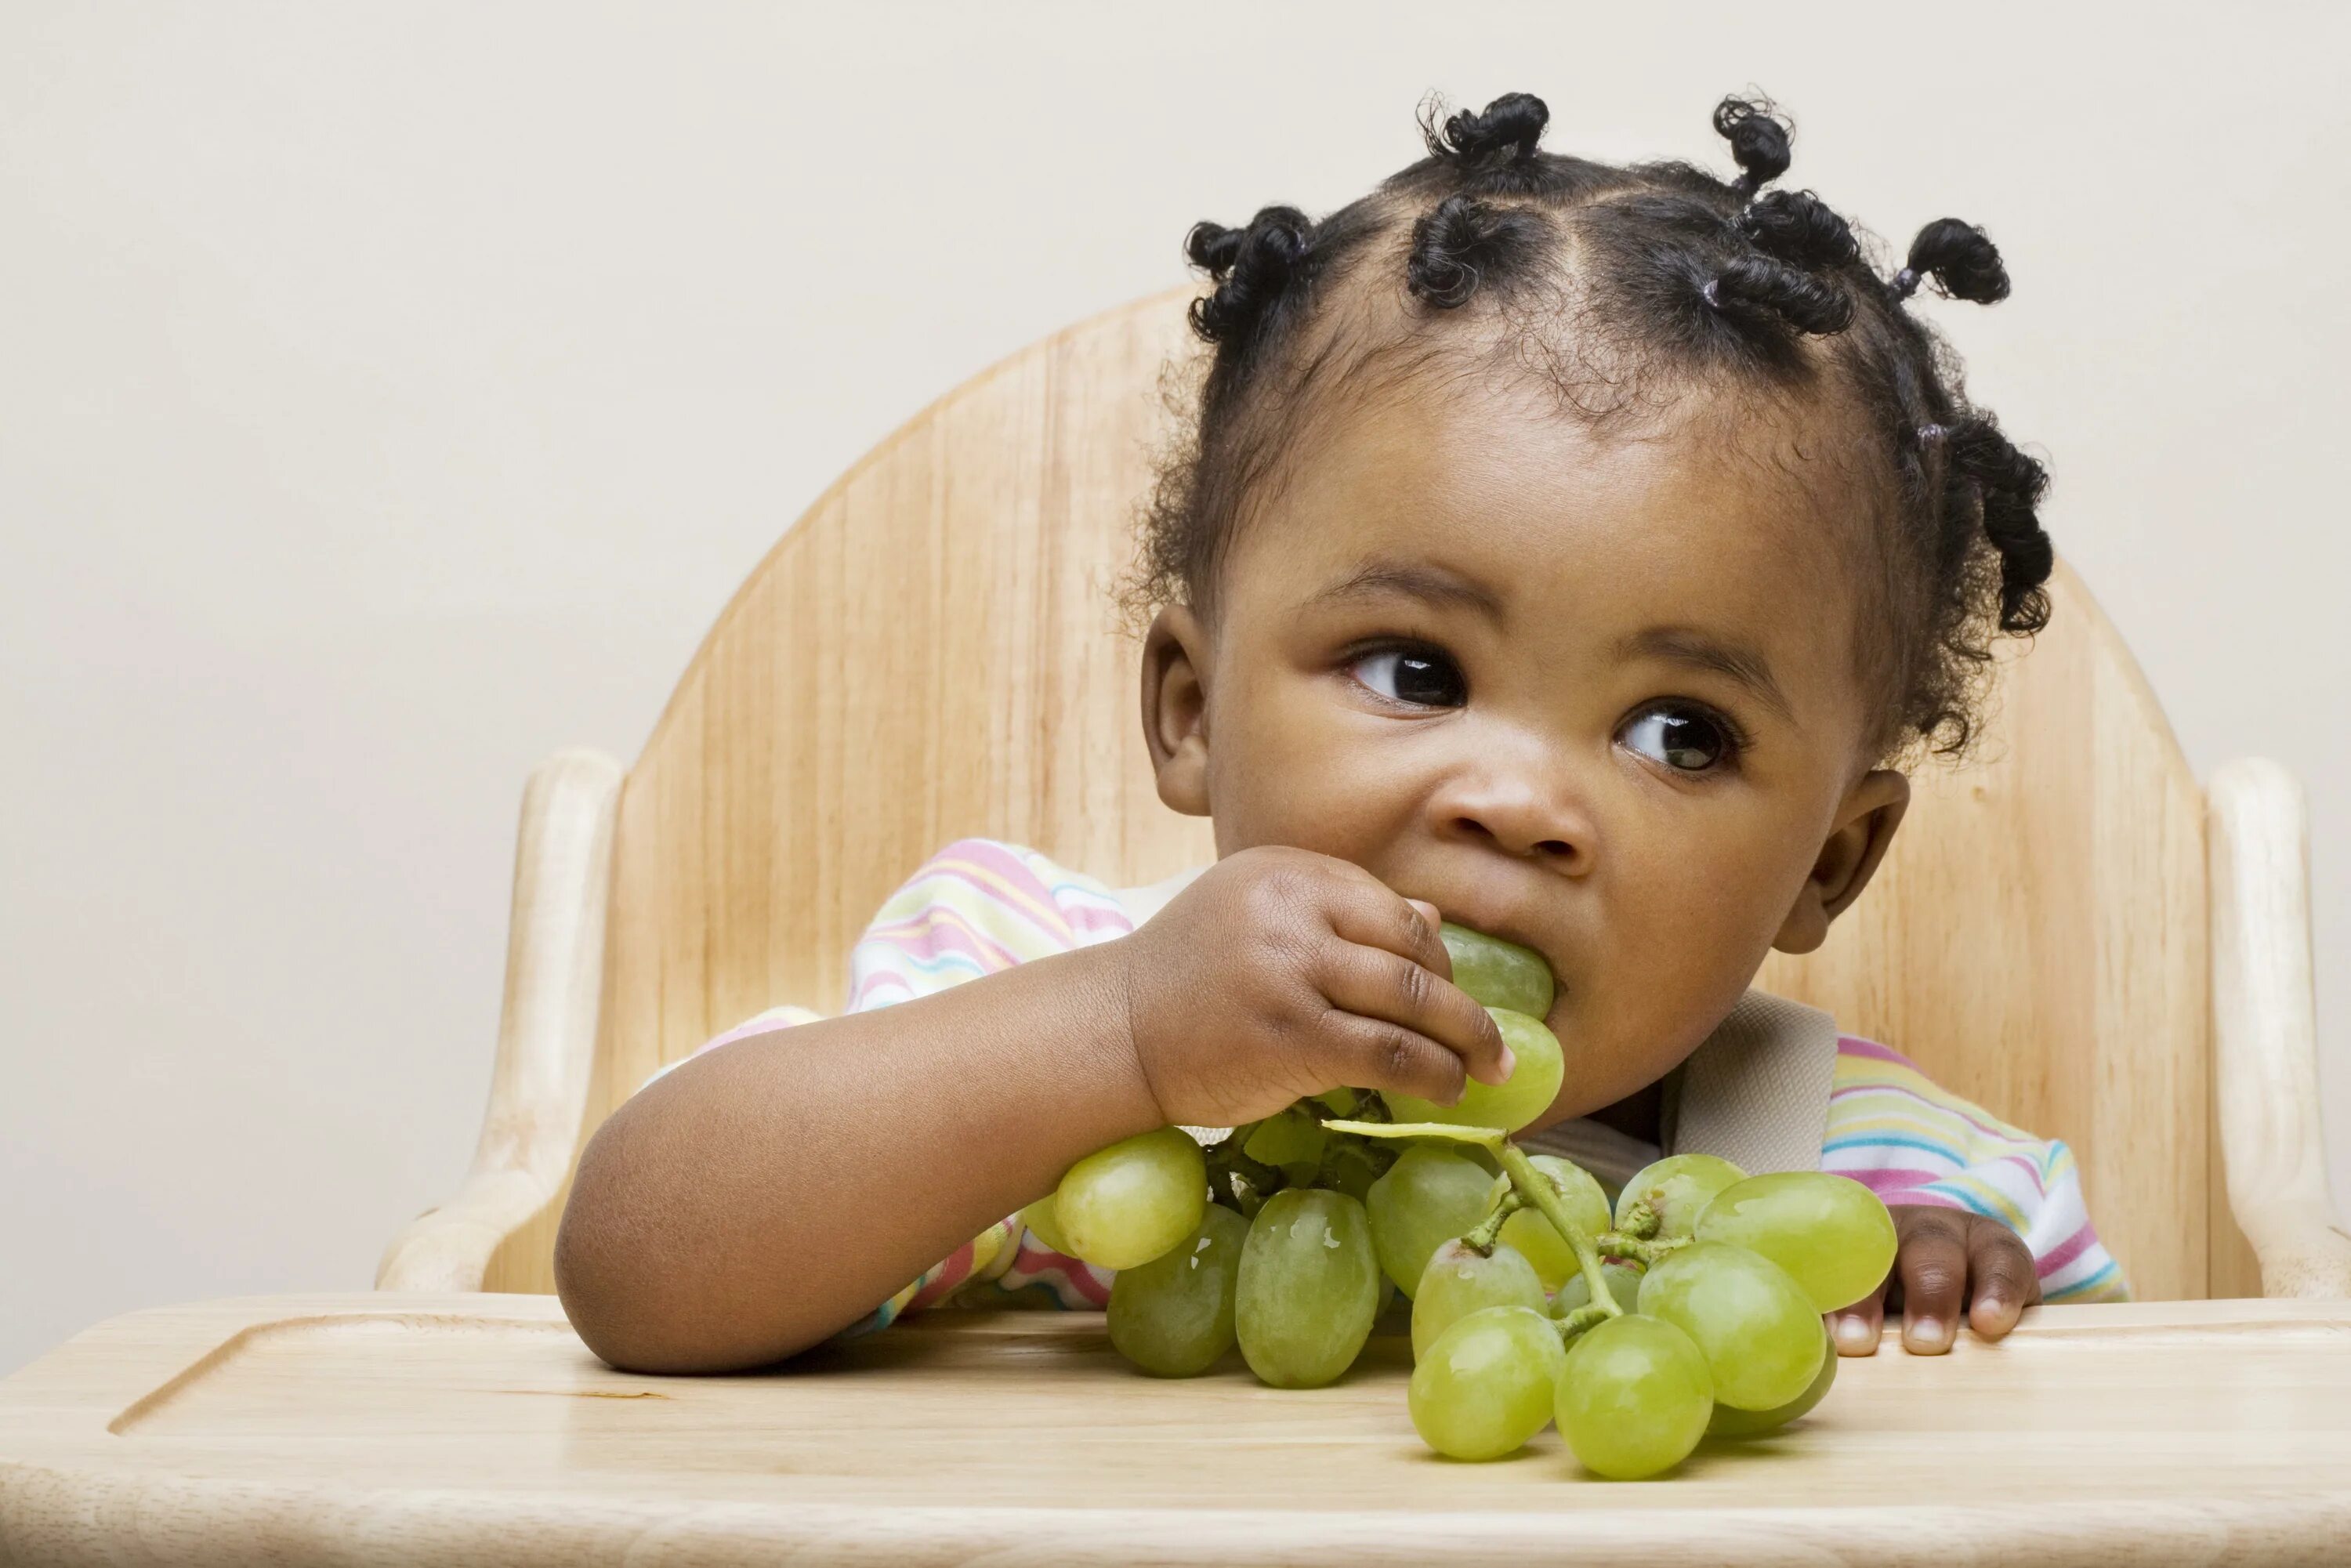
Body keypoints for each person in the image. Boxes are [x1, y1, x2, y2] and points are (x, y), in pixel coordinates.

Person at [553, 89, 2123, 1375]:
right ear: (1188, 710)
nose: (1520, 801)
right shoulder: (1022, 981)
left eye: (1678, 731)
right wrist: (1116, 1035)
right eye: (1417, 672)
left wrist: (1959, 1317)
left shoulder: (1865, 1163)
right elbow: (634, 1263)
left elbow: (2133, 1463)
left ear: (1828, 859)